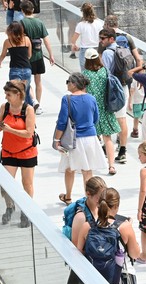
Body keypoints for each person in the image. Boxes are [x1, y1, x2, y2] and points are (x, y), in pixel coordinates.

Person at [53, 72, 107, 205]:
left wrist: (56, 140)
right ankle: (90, 199)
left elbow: (62, 121)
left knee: (70, 168)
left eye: (68, 81)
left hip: (74, 139)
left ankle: (68, 196)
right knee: (87, 171)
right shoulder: (91, 98)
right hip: (90, 137)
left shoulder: (67, 99)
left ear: (74, 84)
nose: (67, 84)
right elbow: (96, 119)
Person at [0, 80, 37, 228]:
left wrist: (8, 129)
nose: (6, 97)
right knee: (5, 184)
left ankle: (27, 212)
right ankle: (10, 207)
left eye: (9, 94)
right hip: (8, 151)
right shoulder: (4, 107)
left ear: (18, 95)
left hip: (26, 152)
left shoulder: (28, 110)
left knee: (27, 184)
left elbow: (28, 133)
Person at [102, 14, 144, 159]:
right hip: (124, 84)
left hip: (110, 86)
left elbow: (102, 67)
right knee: (122, 117)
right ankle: (122, 148)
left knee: (107, 117)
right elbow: (138, 59)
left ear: (107, 25)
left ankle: (107, 145)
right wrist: (138, 77)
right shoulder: (127, 37)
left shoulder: (106, 42)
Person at [82, 48, 121, 175]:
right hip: (105, 108)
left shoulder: (85, 74)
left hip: (91, 109)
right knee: (108, 138)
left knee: (92, 138)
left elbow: (84, 92)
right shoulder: (104, 71)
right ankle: (111, 166)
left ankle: (90, 165)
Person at [20, 0, 54, 114]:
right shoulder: (39, 22)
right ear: (33, 10)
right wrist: (51, 54)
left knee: (26, 81)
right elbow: (46, 39)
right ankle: (38, 104)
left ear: (22, 10)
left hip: (26, 56)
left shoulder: (21, 23)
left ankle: (32, 103)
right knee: (38, 81)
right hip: (39, 55)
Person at [0, 21, 32, 106]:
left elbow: (3, 54)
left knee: (14, 91)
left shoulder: (8, 42)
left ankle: (15, 109)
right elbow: (29, 55)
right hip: (27, 68)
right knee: (26, 91)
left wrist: (0, 61)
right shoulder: (26, 40)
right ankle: (30, 111)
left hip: (15, 69)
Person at [70, 2, 102, 72]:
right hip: (97, 49)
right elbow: (101, 37)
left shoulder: (81, 25)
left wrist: (74, 45)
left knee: (85, 73)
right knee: (97, 71)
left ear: (83, 12)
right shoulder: (99, 23)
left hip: (85, 51)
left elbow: (73, 40)